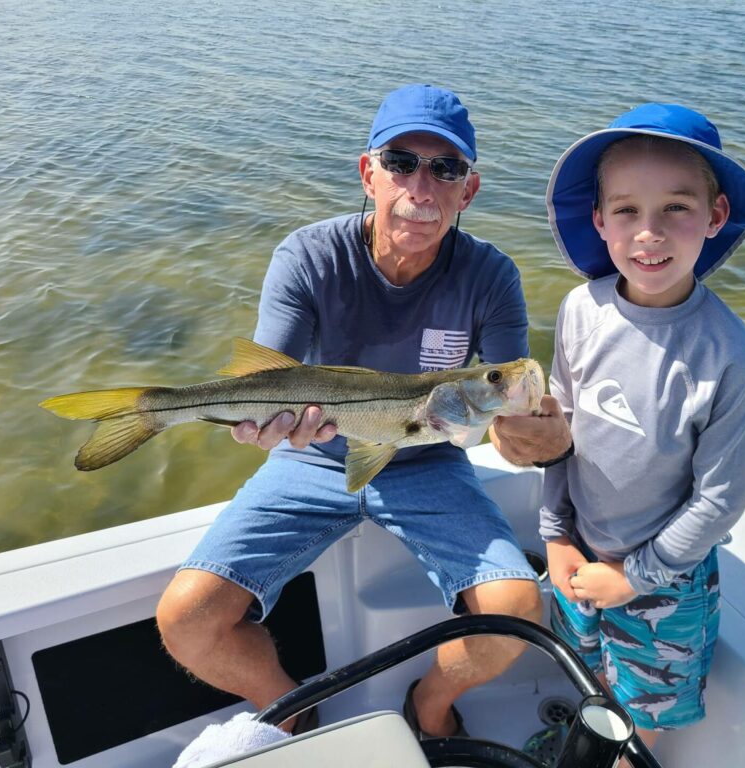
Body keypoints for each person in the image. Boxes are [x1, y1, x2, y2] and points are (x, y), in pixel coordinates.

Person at [155, 84, 566, 739]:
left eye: (447, 169)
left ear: (470, 189)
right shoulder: (309, 256)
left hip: (427, 458)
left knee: (518, 609)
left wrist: (539, 434)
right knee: (186, 619)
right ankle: (290, 704)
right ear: (367, 173)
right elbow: (272, 377)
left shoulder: (491, 276)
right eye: (401, 162)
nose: (422, 187)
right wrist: (265, 426)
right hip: (313, 455)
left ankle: (428, 706)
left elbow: (517, 401)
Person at [530, 103, 745, 758]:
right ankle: (584, 733)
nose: (649, 233)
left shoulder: (730, 355)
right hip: (577, 552)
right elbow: (560, 433)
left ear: (715, 216)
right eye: (628, 211)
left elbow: (721, 500)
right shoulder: (580, 309)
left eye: (676, 209)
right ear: (599, 220)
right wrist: (555, 536)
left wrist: (635, 578)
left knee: (646, 705)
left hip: (666, 578)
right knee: (586, 668)